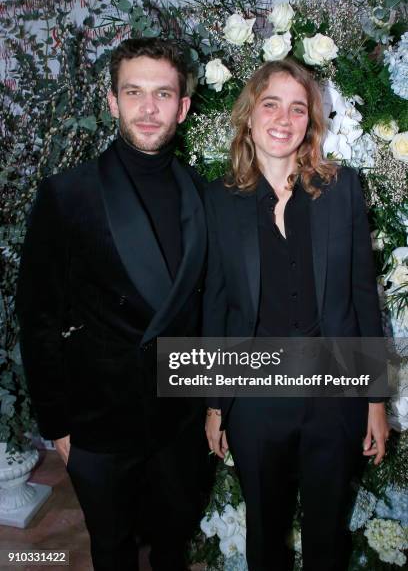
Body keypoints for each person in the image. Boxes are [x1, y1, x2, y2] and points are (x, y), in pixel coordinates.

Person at [16, 37, 210, 571]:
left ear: (183, 106)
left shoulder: (202, 193)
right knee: (113, 550)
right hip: (98, 423)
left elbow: (207, 311)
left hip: (179, 420)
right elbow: (38, 318)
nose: (149, 108)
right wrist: (58, 426)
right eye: (134, 92)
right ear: (112, 102)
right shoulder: (67, 194)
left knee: (174, 544)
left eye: (163, 93)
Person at [203, 59, 389, 571]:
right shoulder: (218, 201)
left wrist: (375, 400)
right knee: (265, 532)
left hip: (335, 397)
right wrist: (217, 405)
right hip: (256, 400)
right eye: (271, 104)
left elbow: (361, 295)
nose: (283, 118)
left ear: (310, 121)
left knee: (328, 534)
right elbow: (217, 305)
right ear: (249, 115)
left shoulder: (341, 189)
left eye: (297, 107)